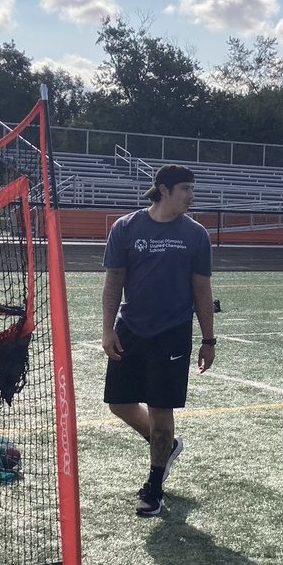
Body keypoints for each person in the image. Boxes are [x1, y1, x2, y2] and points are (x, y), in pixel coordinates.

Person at [102, 164, 215, 519]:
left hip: (172, 333)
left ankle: (154, 487)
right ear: (163, 190)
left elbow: (202, 289)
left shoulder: (196, 235)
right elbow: (113, 282)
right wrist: (108, 329)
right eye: (185, 189)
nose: (191, 196)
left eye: (192, 189)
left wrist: (208, 339)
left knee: (161, 410)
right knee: (119, 403)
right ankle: (166, 446)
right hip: (131, 329)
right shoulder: (126, 227)